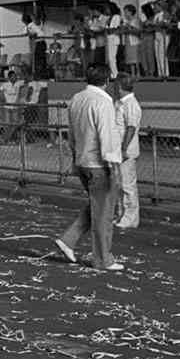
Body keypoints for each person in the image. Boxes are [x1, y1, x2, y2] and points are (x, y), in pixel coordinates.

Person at [53, 64, 123, 271]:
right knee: (104, 213)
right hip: (99, 164)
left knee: (97, 206)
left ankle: (69, 239)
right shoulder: (103, 101)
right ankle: (102, 258)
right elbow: (107, 136)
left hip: (82, 160)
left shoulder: (77, 99)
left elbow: (72, 134)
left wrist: (75, 158)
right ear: (107, 81)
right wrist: (114, 165)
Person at [114, 75, 142, 229]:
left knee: (127, 185)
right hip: (119, 150)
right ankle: (121, 214)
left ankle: (131, 217)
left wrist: (124, 148)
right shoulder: (121, 103)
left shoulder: (131, 104)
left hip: (126, 151)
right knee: (119, 185)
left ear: (119, 86)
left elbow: (131, 127)